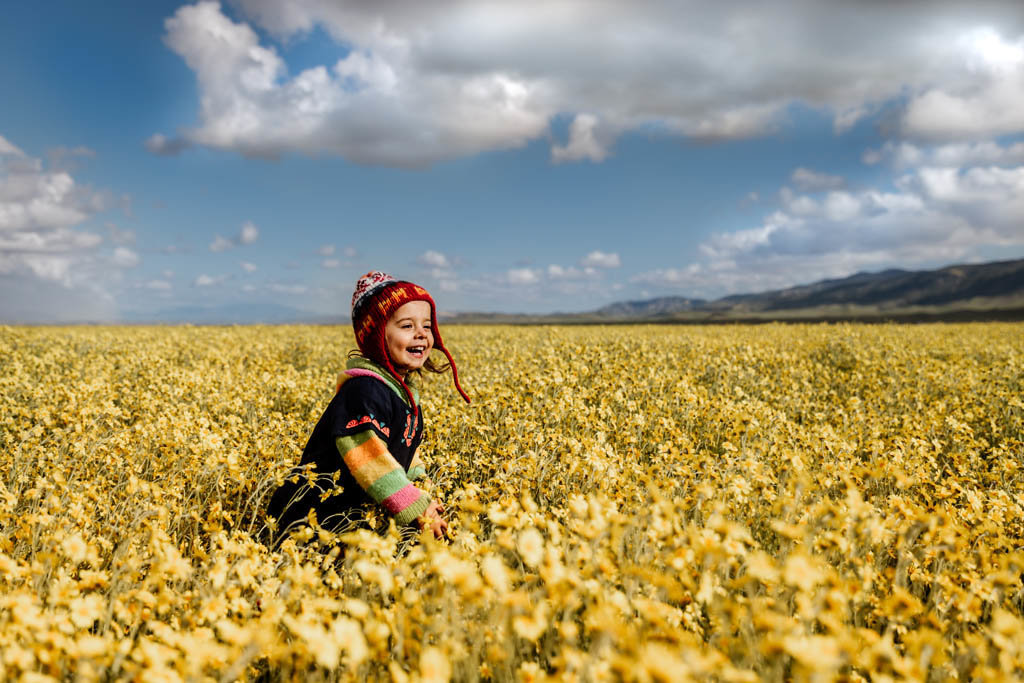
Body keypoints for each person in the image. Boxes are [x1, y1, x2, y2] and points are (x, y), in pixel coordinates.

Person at [266, 271, 470, 546]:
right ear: (377, 335)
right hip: (310, 525)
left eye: (427, 326)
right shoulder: (364, 391)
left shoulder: (401, 392)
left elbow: (404, 452)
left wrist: (423, 490)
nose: (421, 334)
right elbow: (369, 457)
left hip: (347, 526)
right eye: (407, 326)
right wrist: (417, 508)